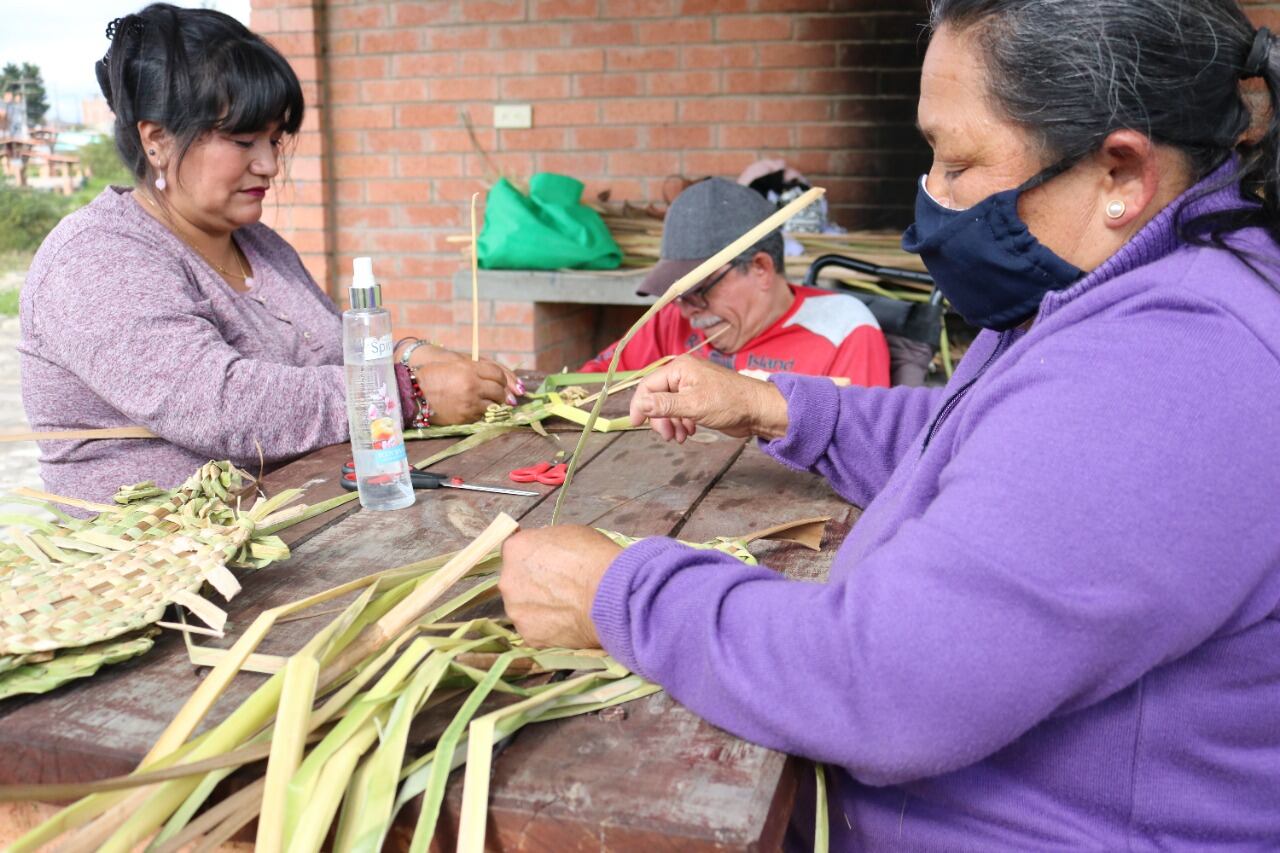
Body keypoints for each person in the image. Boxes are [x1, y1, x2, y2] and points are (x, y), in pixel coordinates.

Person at [498, 0, 1280, 848]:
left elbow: (886, 683)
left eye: (956, 161)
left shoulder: (1170, 365)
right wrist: (779, 406)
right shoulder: (1134, 290)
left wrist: (616, 594)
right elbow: (988, 450)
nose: (929, 204)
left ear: (1120, 172)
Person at [18, 4, 519, 505]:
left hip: (302, 520)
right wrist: (405, 394)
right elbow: (219, 405)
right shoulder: (95, 258)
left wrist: (406, 353)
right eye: (243, 140)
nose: (270, 164)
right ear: (157, 141)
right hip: (171, 555)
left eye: (276, 139)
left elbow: (326, 353)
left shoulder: (258, 244)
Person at [580, 178, 891, 387]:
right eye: (676, 293)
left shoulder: (844, 331)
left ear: (760, 269)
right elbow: (588, 386)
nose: (688, 310)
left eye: (699, 290)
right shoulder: (673, 318)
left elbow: (864, 446)